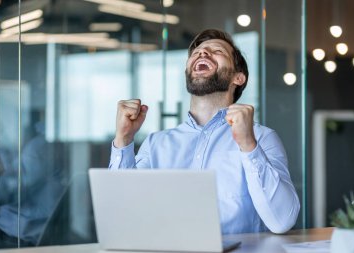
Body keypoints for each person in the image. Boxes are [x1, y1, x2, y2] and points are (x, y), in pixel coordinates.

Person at [109, 29, 300, 234]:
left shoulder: (261, 138)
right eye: (196, 52)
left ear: (238, 78)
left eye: (217, 50)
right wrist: (123, 139)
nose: (202, 53)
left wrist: (248, 145)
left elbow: (281, 222)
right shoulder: (156, 144)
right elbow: (122, 216)